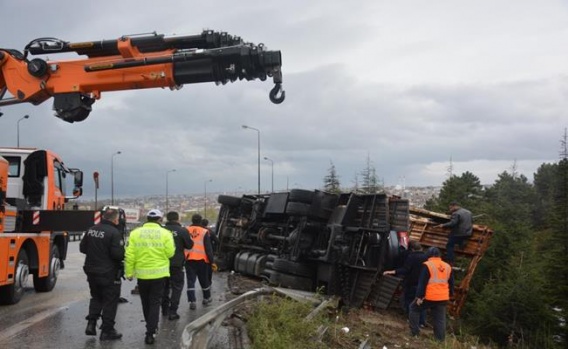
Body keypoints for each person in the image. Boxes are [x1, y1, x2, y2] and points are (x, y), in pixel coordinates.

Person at [125, 209, 175, 345]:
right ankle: (150, 332)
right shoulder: (166, 233)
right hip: (159, 274)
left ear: (147, 219)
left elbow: (130, 255)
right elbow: (170, 253)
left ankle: (150, 325)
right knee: (155, 303)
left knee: (145, 303)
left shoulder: (135, 233)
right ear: (160, 219)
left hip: (142, 275)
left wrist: (129, 273)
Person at [80, 207, 125, 341]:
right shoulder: (114, 233)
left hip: (91, 270)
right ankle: (107, 330)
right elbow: (117, 255)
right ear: (116, 219)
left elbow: (83, 248)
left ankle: (91, 324)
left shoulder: (91, 229)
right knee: (110, 301)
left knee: (96, 297)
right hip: (108, 272)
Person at [409, 247, 454, 341]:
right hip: (442, 297)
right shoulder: (447, 266)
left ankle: (414, 333)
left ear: (428, 255)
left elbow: (422, 282)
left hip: (429, 296)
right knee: (440, 319)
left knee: (413, 308)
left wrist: (419, 297)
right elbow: (451, 283)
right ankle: (440, 340)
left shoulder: (427, 265)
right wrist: (450, 295)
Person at [383, 240, 428, 327]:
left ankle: (412, 320)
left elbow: (405, 269)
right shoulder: (426, 257)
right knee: (422, 303)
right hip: (423, 285)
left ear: (411, 249)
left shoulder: (411, 257)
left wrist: (393, 271)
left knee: (409, 301)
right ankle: (421, 322)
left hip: (412, 283)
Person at [162, 211, 194, 320]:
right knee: (177, 287)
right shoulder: (182, 231)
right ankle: (173, 311)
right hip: (177, 264)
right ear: (177, 219)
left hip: (162, 263)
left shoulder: (161, 231)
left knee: (164, 287)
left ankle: (164, 309)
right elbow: (189, 245)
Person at [185, 214, 215, 310]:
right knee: (204, 280)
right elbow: (208, 248)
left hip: (189, 260)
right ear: (201, 221)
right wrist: (212, 261)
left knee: (190, 281)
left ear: (192, 220)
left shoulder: (186, 230)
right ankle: (206, 298)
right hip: (202, 260)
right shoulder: (204, 231)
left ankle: (192, 301)